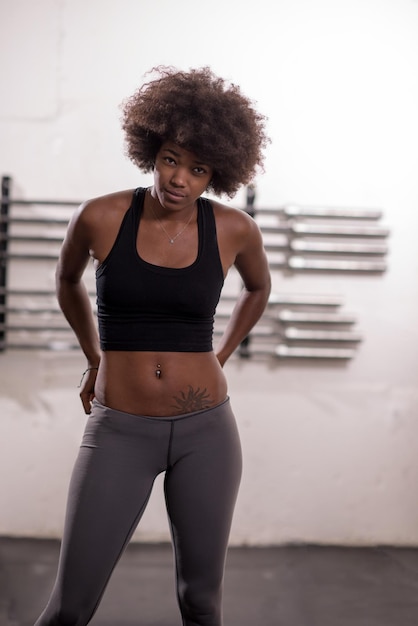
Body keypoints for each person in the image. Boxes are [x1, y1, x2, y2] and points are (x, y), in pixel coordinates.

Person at [34, 66, 271, 626]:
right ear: (151, 149)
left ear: (217, 173)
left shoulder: (236, 229)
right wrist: (96, 358)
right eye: (170, 158)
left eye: (197, 168)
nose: (179, 179)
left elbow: (259, 289)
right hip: (120, 429)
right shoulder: (100, 216)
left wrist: (219, 356)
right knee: (70, 607)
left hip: (207, 430)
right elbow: (67, 282)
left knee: (202, 602)